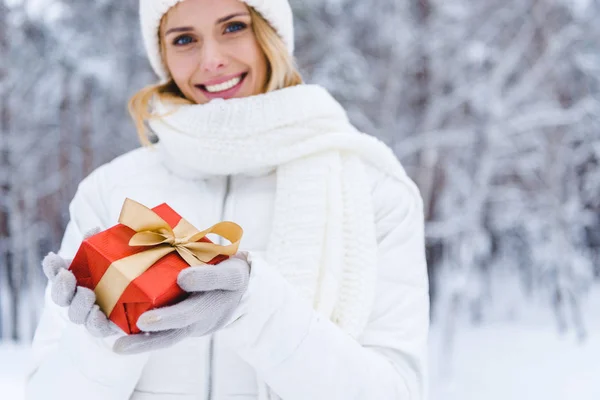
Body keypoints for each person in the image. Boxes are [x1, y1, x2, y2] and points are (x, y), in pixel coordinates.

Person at [26, 0, 430, 399]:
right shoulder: (111, 191)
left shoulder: (370, 188)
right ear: (162, 54)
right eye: (184, 38)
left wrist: (254, 307)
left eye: (233, 27)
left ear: (270, 34)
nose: (212, 59)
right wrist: (104, 340)